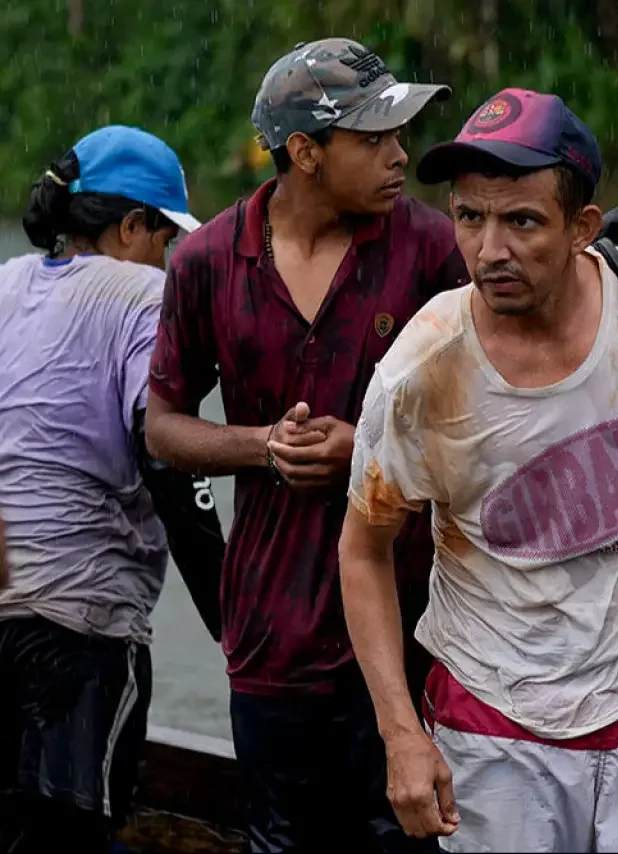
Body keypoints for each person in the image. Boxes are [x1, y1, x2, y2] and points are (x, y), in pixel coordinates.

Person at [337, 87, 618, 853]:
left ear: (582, 228)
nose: (491, 250)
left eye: (522, 220)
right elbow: (362, 551)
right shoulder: (420, 374)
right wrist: (400, 734)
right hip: (494, 715)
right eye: (469, 218)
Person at [144, 38, 468, 853]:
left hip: (415, 626)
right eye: (376, 139)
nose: (401, 156)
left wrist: (369, 449)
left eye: (400, 135)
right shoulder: (210, 259)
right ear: (306, 153)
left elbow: (487, 419)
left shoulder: (433, 249)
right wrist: (261, 446)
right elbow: (161, 422)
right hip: (269, 633)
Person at [0, 125, 203, 853]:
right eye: (165, 236)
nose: (170, 255)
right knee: (75, 832)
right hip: (79, 628)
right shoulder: (145, 294)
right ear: (129, 227)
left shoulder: (8, 282)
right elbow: (167, 461)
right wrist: (234, 621)